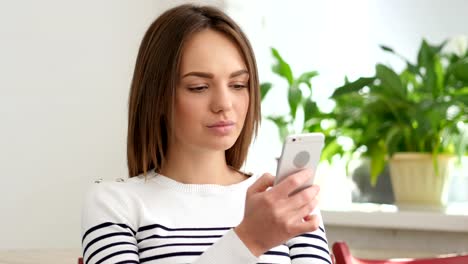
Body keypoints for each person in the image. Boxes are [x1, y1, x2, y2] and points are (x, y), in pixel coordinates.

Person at [81, 4, 331, 264]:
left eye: (238, 85)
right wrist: (250, 240)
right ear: (157, 97)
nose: (224, 103)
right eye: (198, 87)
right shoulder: (114, 203)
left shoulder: (283, 202)